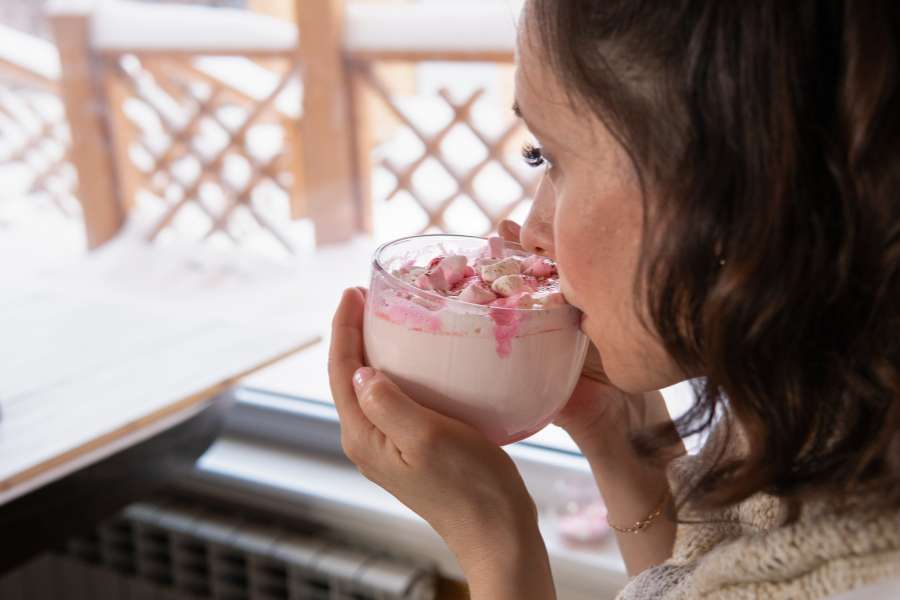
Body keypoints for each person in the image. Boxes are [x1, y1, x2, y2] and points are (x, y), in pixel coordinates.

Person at [328, 1, 900, 598]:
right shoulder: (817, 415)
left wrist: (496, 539)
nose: (532, 232)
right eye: (534, 157)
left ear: (729, 186)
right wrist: (622, 440)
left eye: (551, 157)